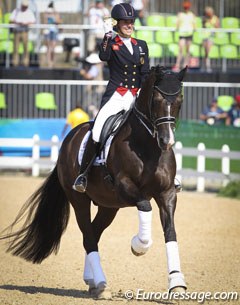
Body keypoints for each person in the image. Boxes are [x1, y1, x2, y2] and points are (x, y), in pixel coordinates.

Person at [73, 2, 149, 193]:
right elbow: (103, 55)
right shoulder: (111, 44)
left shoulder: (141, 46)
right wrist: (107, 35)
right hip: (117, 95)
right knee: (98, 130)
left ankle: (168, 175)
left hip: (136, 96)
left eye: (131, 22)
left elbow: (145, 72)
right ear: (117, 24)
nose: (130, 25)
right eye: (125, 22)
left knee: (155, 127)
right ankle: (84, 174)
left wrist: (143, 92)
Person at [9, 0, 36, 67]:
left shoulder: (29, 12)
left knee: (25, 48)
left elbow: (33, 21)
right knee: (15, 48)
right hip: (17, 31)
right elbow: (11, 20)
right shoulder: (16, 11)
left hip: (25, 31)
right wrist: (18, 23)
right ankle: (15, 63)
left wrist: (26, 23)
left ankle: (25, 63)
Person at [172, 1, 196, 72]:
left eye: (187, 7)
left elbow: (194, 26)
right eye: (185, 7)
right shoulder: (180, 14)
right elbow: (177, 24)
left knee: (187, 51)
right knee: (180, 50)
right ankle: (177, 65)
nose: (186, 9)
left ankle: (185, 66)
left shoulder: (192, 15)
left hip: (189, 34)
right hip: (182, 34)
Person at [43, 1, 62, 68]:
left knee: (53, 48)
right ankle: (49, 63)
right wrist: (47, 15)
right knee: (48, 48)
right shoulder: (46, 13)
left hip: (54, 31)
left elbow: (59, 21)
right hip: (48, 32)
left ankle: (52, 61)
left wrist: (54, 16)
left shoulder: (56, 13)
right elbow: (45, 22)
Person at [202, 6, 220, 73]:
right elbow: (203, 27)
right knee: (205, 51)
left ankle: (207, 66)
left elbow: (218, 27)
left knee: (207, 50)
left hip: (212, 36)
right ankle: (205, 66)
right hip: (205, 36)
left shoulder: (215, 18)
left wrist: (212, 23)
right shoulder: (204, 18)